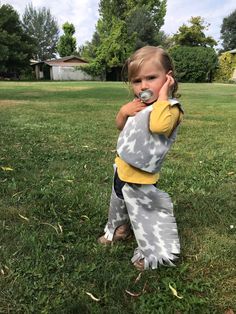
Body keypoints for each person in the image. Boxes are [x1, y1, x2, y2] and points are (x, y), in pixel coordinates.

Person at [98, 46, 184, 271]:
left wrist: (164, 95)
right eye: (137, 81)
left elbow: (158, 126)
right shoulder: (138, 106)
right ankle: (118, 229)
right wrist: (124, 111)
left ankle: (152, 252)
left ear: (168, 78)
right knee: (118, 202)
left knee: (145, 214)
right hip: (122, 168)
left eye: (152, 78)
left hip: (142, 176)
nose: (143, 86)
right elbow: (121, 127)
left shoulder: (170, 109)